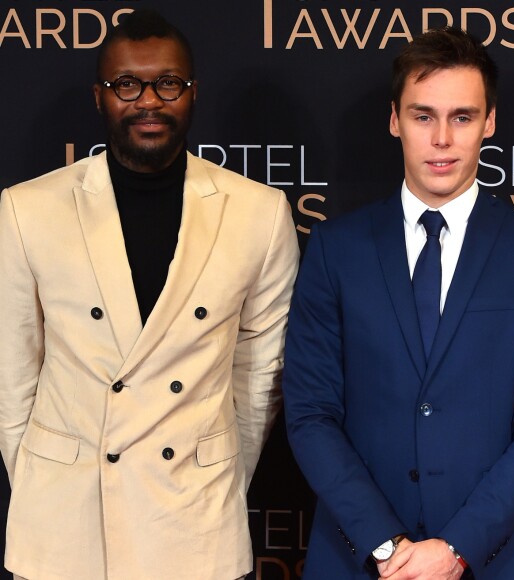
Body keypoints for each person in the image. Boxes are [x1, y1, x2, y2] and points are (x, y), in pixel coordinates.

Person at [0, 9, 298, 580]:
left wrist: (212, 474)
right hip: (66, 523)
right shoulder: (27, 209)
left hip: (194, 516)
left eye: (167, 83)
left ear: (191, 92)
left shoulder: (258, 213)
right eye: (126, 85)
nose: (148, 102)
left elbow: (257, 377)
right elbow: (15, 376)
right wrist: (47, 482)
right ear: (99, 97)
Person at [283, 27, 514, 579]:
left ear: (489, 122)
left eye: (462, 117)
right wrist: (386, 544)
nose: (442, 138)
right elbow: (310, 412)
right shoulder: (336, 250)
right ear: (395, 120)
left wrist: (457, 547)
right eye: (423, 116)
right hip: (358, 561)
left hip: (490, 560)